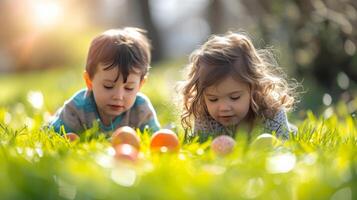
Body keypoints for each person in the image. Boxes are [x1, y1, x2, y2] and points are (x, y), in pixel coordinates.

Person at [180, 31, 299, 142]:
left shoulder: (272, 113)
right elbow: (202, 146)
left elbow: (283, 144)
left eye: (234, 97)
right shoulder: (205, 118)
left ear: (253, 88)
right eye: (213, 99)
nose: (224, 108)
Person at [49, 27, 160, 135]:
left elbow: (156, 139)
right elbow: (51, 135)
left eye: (129, 88)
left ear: (140, 85)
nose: (118, 96)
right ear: (89, 81)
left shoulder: (141, 110)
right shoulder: (76, 109)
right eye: (108, 86)